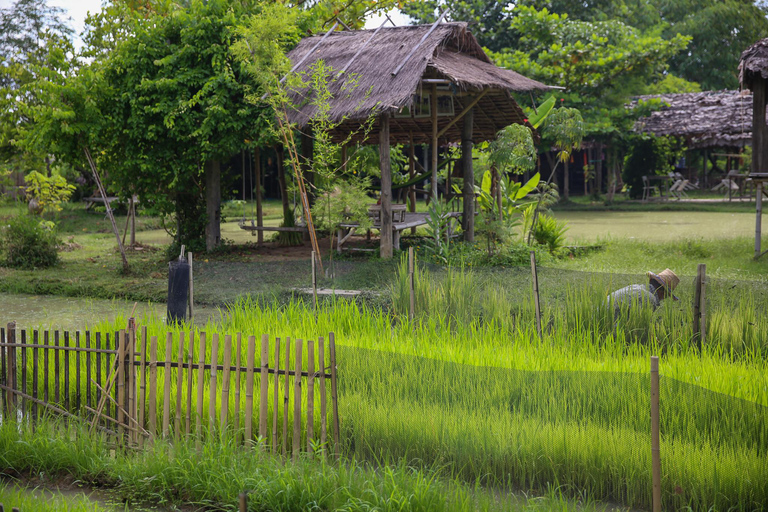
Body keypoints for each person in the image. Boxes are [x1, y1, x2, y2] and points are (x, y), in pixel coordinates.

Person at [607, 269, 680, 315]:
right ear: (663, 293)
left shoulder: (634, 287)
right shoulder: (650, 299)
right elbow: (637, 328)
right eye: (667, 296)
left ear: (650, 281)